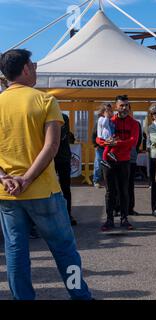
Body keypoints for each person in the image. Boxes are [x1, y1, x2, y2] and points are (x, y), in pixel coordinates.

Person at [0, 49, 91, 300]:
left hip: (7, 193)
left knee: (15, 251)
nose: (36, 69)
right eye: (34, 64)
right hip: (42, 189)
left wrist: (5, 178)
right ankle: (80, 295)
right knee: (65, 249)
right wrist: (27, 179)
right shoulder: (45, 101)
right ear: (26, 69)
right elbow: (51, 147)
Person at [97, 95, 139, 231]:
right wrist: (105, 142)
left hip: (124, 161)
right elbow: (97, 138)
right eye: (121, 105)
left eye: (126, 105)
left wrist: (117, 143)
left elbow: (133, 141)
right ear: (116, 106)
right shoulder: (108, 120)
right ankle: (109, 220)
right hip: (109, 160)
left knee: (123, 191)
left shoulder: (134, 123)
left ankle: (124, 219)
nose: (124, 108)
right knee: (110, 191)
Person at [55, 113, 77, 226]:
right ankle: (52, 217)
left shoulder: (63, 117)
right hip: (48, 160)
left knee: (65, 188)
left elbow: (62, 135)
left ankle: (67, 215)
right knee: (48, 189)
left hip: (62, 158)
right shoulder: (42, 116)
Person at [92, 103, 111, 188]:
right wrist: (95, 145)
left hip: (109, 146)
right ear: (103, 111)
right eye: (107, 110)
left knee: (108, 164)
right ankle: (96, 180)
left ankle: (107, 180)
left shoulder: (111, 121)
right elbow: (94, 134)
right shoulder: (100, 120)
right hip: (100, 146)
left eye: (110, 110)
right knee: (98, 164)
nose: (109, 112)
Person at [128, 107, 142, 216]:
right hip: (118, 158)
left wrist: (134, 151)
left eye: (128, 110)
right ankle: (117, 208)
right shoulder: (115, 122)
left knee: (130, 184)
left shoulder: (136, 124)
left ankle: (130, 208)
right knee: (118, 184)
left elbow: (139, 140)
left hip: (131, 158)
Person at [97, 104, 117, 168]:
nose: (110, 113)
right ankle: (104, 160)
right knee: (107, 147)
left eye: (111, 111)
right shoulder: (101, 118)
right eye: (108, 111)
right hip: (104, 137)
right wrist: (106, 117)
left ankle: (110, 153)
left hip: (109, 136)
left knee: (111, 146)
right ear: (103, 112)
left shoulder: (110, 120)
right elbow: (104, 124)